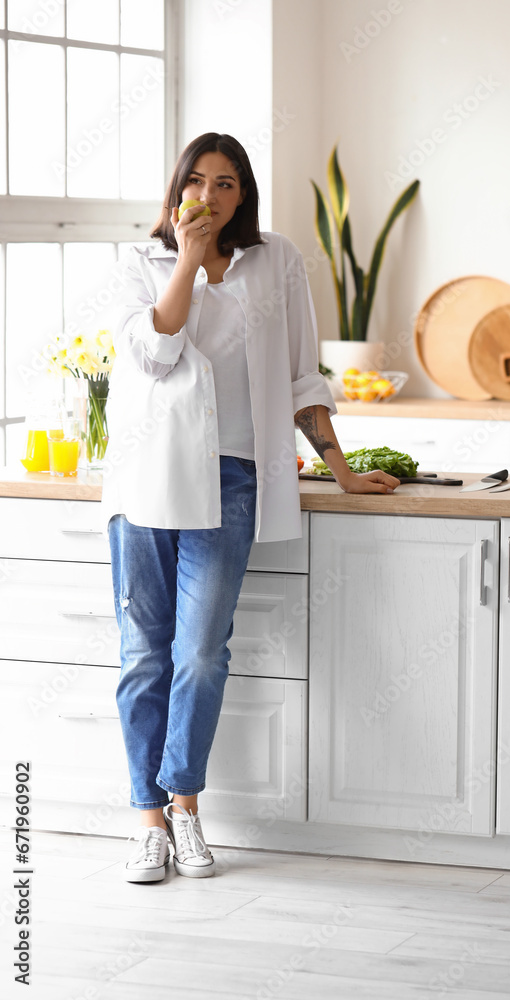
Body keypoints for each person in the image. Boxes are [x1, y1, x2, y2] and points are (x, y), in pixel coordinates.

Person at [101, 132, 400, 883]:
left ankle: (185, 804)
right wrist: (189, 264)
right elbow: (155, 351)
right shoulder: (137, 266)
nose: (211, 194)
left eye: (227, 183)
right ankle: (147, 822)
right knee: (144, 655)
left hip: (231, 480)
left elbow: (303, 375)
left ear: (244, 194)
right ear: (176, 191)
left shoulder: (278, 262)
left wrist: (339, 468)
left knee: (199, 653)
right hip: (146, 479)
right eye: (197, 181)